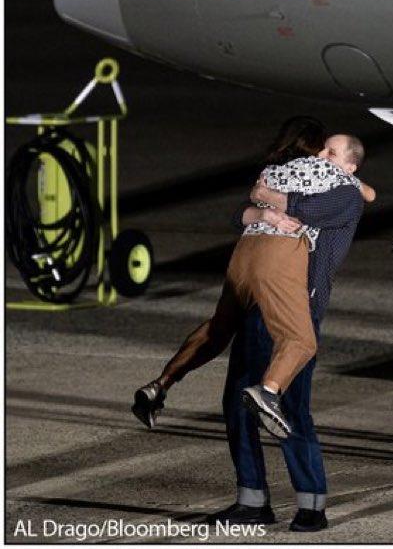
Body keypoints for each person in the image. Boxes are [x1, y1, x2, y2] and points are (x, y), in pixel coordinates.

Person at [132, 122, 370, 439]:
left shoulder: (276, 172)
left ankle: (160, 386)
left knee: (218, 329)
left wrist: (264, 203)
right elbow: (333, 202)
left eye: (331, 151)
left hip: (244, 255)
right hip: (281, 267)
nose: (323, 156)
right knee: (302, 344)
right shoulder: (336, 181)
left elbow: (239, 214)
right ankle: (269, 394)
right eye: (323, 149)